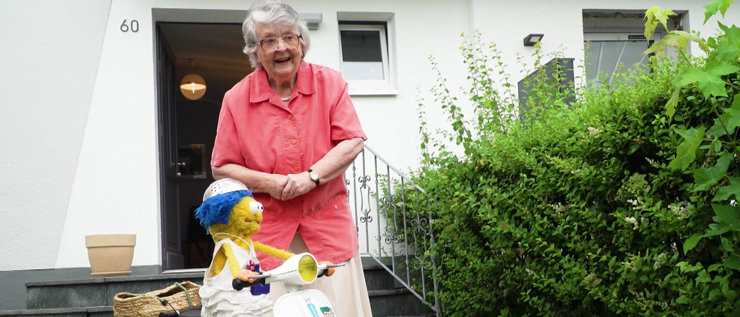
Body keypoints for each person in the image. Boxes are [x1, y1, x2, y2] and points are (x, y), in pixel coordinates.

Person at [209, 0, 372, 315]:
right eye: (269, 40)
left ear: (302, 44)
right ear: (254, 51)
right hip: (269, 235)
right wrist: (269, 183)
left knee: (337, 308)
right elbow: (221, 166)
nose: (280, 47)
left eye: (289, 37)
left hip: (327, 227)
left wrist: (309, 177)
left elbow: (352, 140)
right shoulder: (235, 99)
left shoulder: (330, 83)